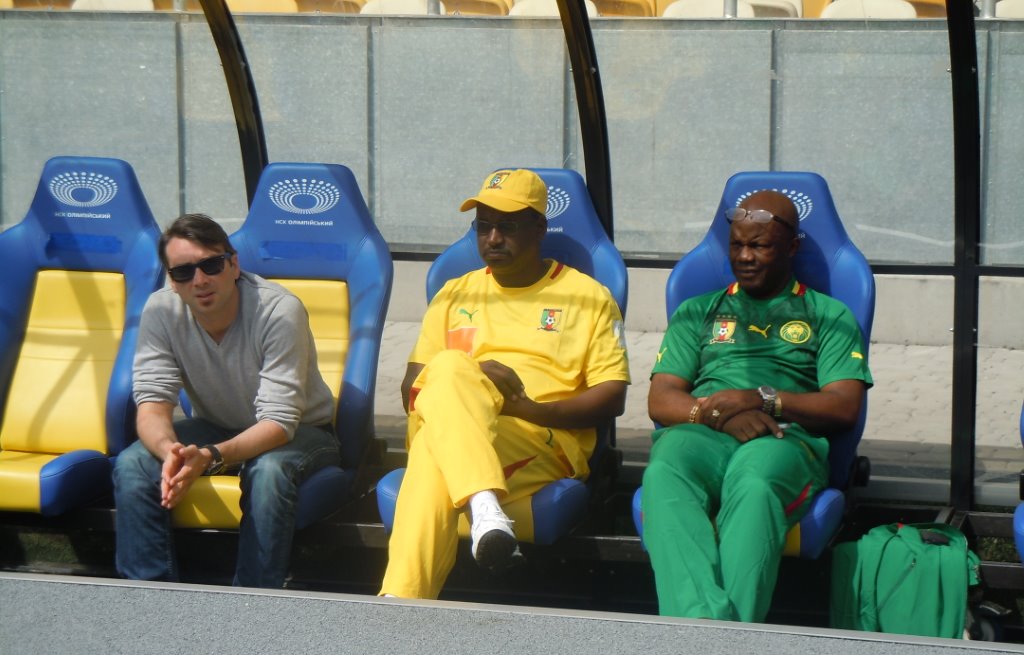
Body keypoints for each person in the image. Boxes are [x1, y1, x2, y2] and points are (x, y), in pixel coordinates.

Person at [380, 169, 631, 600]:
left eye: (507, 226)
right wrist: (473, 380)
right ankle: (484, 505)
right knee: (453, 368)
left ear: (540, 228)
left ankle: (398, 604)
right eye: (484, 226)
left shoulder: (587, 297)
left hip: (537, 434)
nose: (493, 238)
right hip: (459, 427)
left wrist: (529, 408)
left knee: (432, 454)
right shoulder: (454, 294)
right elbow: (411, 390)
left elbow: (612, 396)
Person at [641, 190, 872, 623]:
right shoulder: (698, 311)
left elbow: (843, 406)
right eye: (736, 245)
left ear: (791, 248)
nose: (744, 257)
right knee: (664, 468)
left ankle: (719, 635)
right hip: (706, 430)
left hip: (785, 437)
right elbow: (662, 397)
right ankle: (708, 630)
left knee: (755, 482)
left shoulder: (828, 314)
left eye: (759, 246)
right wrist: (715, 415)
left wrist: (764, 400)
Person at [114, 213, 341, 588]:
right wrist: (170, 451)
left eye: (211, 265)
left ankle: (252, 600)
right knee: (133, 462)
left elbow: (279, 422)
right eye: (184, 272)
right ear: (171, 280)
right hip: (217, 425)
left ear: (233, 264)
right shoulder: (160, 310)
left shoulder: (278, 310)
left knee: (268, 471)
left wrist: (211, 456)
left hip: (302, 432)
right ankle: (149, 597)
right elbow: (152, 403)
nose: (200, 280)